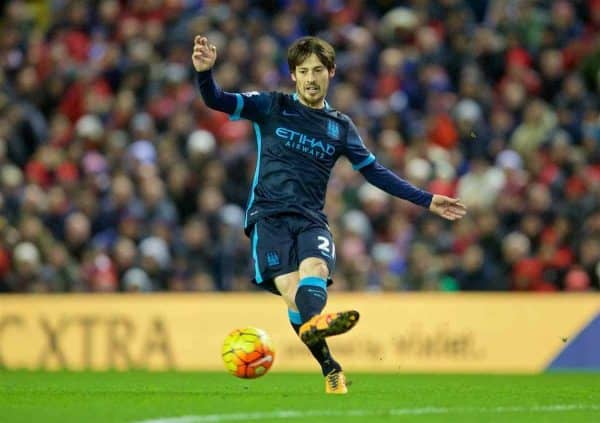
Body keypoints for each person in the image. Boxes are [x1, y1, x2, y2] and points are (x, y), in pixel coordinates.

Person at [192, 35, 467, 393]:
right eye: (303, 71)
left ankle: (316, 324)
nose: (310, 78)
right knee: (291, 291)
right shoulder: (270, 106)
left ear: (331, 73)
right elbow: (216, 99)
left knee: (316, 270)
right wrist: (205, 73)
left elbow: (374, 172)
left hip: (310, 219)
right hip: (268, 217)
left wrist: (426, 199)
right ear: (292, 75)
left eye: (318, 70)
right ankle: (330, 366)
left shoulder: (340, 127)